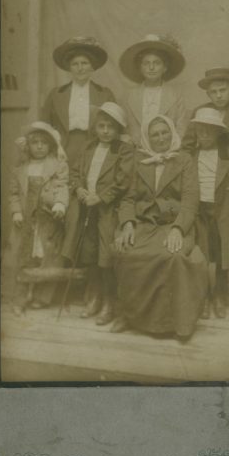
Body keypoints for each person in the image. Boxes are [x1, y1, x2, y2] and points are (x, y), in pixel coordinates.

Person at [112, 115, 207, 342]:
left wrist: (178, 229)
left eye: (165, 132)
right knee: (126, 252)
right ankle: (130, 316)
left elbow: (190, 200)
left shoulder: (184, 160)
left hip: (172, 224)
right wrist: (127, 223)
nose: (161, 138)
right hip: (144, 224)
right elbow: (128, 198)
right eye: (155, 134)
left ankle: (175, 324)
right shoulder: (138, 160)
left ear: (172, 133)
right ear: (147, 138)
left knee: (172, 256)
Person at [61, 103, 134, 325]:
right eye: (101, 126)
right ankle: (93, 296)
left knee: (106, 255)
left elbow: (123, 181)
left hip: (108, 209)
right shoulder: (88, 147)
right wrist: (79, 189)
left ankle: (109, 302)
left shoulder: (123, 150)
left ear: (119, 129)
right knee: (89, 252)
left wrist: (101, 197)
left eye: (110, 127)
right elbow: (75, 173)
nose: (105, 131)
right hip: (86, 208)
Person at [7, 121, 69, 315]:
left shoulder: (57, 165)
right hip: (26, 220)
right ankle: (20, 296)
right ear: (28, 145)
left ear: (50, 145)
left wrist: (60, 203)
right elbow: (14, 193)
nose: (40, 146)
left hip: (47, 218)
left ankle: (43, 296)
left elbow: (62, 186)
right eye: (35, 143)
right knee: (22, 256)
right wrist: (16, 210)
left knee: (48, 256)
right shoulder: (21, 167)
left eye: (44, 142)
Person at [189, 108, 229, 319]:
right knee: (202, 254)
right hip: (200, 210)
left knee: (221, 254)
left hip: (222, 210)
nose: (205, 136)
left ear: (219, 133)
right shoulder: (191, 156)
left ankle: (220, 293)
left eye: (209, 131)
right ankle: (205, 296)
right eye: (201, 131)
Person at [40, 36, 116, 169]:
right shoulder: (56, 94)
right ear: (69, 68)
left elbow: (115, 127)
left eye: (85, 63)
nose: (80, 68)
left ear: (92, 66)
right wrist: (56, 148)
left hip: (96, 147)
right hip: (63, 149)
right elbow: (44, 126)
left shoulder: (105, 94)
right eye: (75, 64)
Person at [119, 34, 189, 144]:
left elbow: (181, 128)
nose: (151, 68)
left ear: (165, 67)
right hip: (135, 152)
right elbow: (122, 127)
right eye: (146, 63)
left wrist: (171, 149)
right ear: (140, 68)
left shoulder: (175, 95)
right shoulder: (128, 96)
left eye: (156, 63)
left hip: (167, 153)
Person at [182, 67, 229, 155]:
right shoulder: (199, 111)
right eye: (213, 92)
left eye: (223, 90)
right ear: (208, 94)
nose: (218, 96)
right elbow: (187, 146)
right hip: (206, 161)